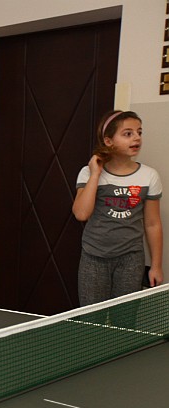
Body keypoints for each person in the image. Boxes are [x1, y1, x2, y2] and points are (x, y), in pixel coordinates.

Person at [72, 110, 163, 306]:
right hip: (94, 257)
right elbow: (81, 213)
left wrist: (156, 266)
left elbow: (153, 224)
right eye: (128, 133)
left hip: (131, 258)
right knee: (91, 318)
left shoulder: (149, 176)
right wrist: (95, 174)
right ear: (108, 141)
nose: (136, 138)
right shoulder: (88, 173)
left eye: (139, 132)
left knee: (124, 318)